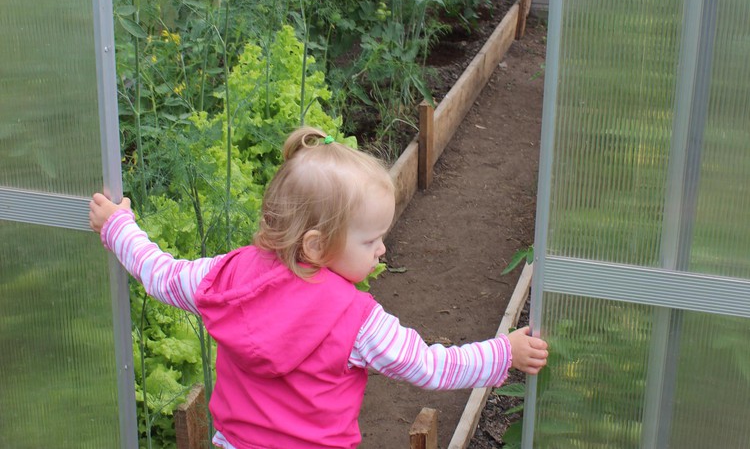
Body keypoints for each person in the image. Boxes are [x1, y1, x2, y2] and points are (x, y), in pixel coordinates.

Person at [90, 126, 548, 449]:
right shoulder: (356, 320)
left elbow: (160, 274)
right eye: (370, 240)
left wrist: (118, 226)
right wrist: (503, 352)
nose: (382, 250)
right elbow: (429, 366)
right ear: (316, 243)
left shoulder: (226, 276)